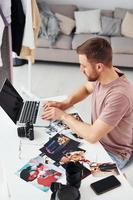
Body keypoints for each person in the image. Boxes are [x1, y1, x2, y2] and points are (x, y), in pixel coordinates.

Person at [41, 37, 133, 169]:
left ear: (99, 67)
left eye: (84, 66)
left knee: (60, 170)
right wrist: (65, 104)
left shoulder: (119, 95)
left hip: (112, 153)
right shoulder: (107, 73)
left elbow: (92, 135)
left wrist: (63, 115)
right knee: (50, 149)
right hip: (98, 140)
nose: (80, 69)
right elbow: (86, 88)